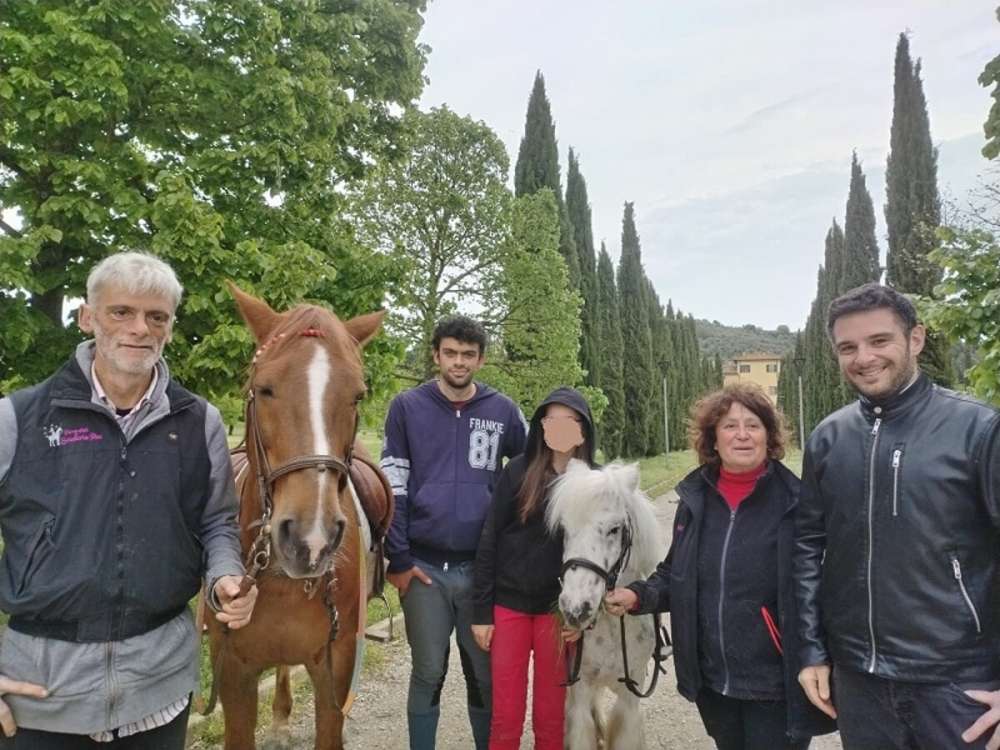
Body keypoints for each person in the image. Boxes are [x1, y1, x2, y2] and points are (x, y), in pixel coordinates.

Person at [0, 252, 256, 747]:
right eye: (122, 312)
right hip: (42, 694)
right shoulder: (19, 418)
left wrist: (226, 572)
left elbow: (217, 522)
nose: (140, 328)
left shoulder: (199, 422)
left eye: (156, 316)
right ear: (88, 317)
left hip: (158, 688)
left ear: (170, 327)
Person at [792, 282, 1000, 750]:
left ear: (916, 339)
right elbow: (807, 549)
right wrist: (810, 651)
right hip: (860, 683)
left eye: (879, 340)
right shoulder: (828, 438)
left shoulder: (980, 429)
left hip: (958, 683)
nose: (863, 357)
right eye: (848, 347)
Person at [605, 383, 835, 750]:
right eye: (729, 426)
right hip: (713, 681)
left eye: (753, 425)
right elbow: (675, 574)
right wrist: (637, 596)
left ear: (769, 436)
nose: (742, 434)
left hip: (775, 682)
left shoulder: (796, 502)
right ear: (713, 439)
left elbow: (819, 588)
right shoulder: (696, 499)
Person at [381, 316, 528, 750]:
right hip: (424, 567)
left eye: (468, 354)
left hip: (482, 570)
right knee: (428, 670)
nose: (458, 362)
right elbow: (395, 484)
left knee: (482, 673)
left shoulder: (503, 410)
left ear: (480, 359)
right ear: (436, 355)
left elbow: (529, 480)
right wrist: (400, 559)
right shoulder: (407, 407)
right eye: (450, 353)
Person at [471, 387, 594, 750]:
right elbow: (490, 540)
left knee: (551, 717)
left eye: (568, 420)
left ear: (583, 429)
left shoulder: (592, 482)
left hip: (557, 616)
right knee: (506, 716)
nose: (559, 428)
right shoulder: (518, 472)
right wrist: (482, 612)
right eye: (551, 419)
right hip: (508, 608)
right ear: (541, 426)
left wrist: (582, 617)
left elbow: (603, 556)